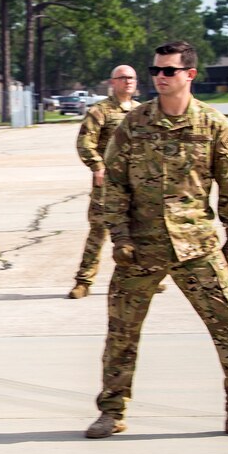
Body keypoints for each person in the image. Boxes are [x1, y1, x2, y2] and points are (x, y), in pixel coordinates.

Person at [85, 40, 228, 439]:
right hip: (141, 247)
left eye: (168, 71)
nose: (159, 76)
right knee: (122, 332)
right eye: (156, 70)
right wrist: (120, 237)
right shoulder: (133, 124)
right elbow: (115, 187)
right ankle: (111, 411)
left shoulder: (213, 126)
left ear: (189, 74)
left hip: (197, 246)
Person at [68, 65, 141, 299]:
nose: (128, 81)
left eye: (131, 78)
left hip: (138, 183)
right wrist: (97, 166)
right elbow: (84, 143)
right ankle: (84, 281)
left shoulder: (143, 111)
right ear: (113, 82)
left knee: (141, 230)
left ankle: (144, 274)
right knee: (99, 231)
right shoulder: (101, 111)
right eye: (122, 78)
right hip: (108, 184)